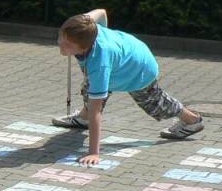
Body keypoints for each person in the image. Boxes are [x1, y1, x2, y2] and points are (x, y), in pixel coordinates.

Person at [52, 9, 204, 165]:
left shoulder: (99, 62)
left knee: (154, 103)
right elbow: (101, 12)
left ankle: (192, 120)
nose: (60, 43)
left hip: (138, 69)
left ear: (84, 46)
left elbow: (96, 111)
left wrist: (93, 153)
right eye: (60, 37)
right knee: (90, 89)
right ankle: (84, 119)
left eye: (67, 44)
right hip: (124, 54)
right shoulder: (83, 25)